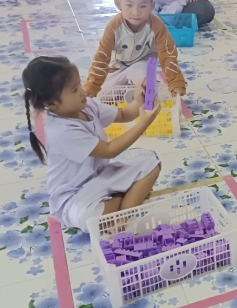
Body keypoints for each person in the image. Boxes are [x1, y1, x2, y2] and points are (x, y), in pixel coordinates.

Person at [23, 56, 162, 231]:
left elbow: (123, 114)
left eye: (79, 84)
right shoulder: (62, 131)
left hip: (101, 178)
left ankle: (121, 217)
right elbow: (109, 150)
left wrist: (139, 100)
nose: (83, 92)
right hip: (74, 197)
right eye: (74, 90)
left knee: (151, 165)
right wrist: (143, 124)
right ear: (51, 103)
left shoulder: (86, 106)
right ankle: (124, 200)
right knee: (90, 217)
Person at [84, 0, 186, 97]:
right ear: (119, 3)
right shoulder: (113, 26)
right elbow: (102, 56)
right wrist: (93, 85)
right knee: (101, 97)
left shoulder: (157, 26)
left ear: (151, 6)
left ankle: (143, 91)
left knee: (143, 84)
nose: (136, 12)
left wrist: (175, 82)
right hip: (116, 71)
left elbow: (168, 54)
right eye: (129, 5)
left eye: (142, 6)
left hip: (141, 69)